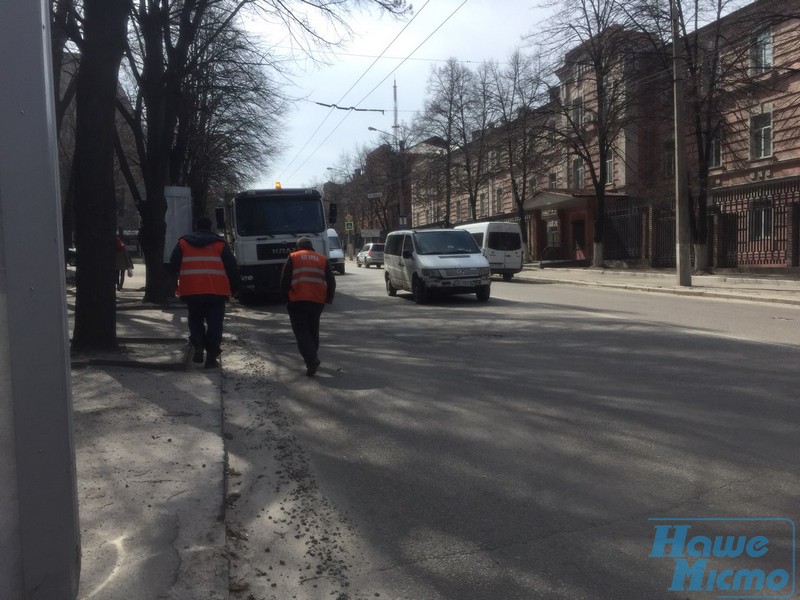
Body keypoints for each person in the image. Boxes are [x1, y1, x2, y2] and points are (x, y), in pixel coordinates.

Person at [169, 217, 239, 369]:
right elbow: (232, 268)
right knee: (215, 323)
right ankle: (211, 357)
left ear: (196, 227)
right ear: (210, 227)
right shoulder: (220, 244)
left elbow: (173, 265)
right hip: (216, 292)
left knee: (195, 320)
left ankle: (199, 344)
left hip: (191, 291)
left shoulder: (183, 243)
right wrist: (235, 289)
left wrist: (174, 286)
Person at [280, 236, 336, 376]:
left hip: (297, 300)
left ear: (298, 246)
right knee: (313, 329)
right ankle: (313, 357)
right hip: (317, 301)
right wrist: (328, 298)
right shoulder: (322, 259)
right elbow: (331, 281)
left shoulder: (293, 257)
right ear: (311, 246)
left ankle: (311, 360)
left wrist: (285, 298)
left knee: (301, 331)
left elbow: (284, 280)